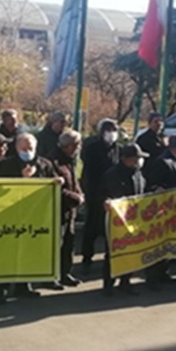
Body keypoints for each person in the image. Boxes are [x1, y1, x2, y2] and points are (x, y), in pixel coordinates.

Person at [0, 133, 61, 301]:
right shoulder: (5, 165)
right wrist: (23, 180)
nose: (27, 151)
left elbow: (52, 185)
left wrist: (57, 183)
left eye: (30, 148)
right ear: (16, 148)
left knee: (28, 252)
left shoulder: (45, 164)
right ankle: (2, 288)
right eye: (23, 148)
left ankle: (23, 286)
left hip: (35, 217)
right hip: (10, 216)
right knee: (7, 254)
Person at [142, 134, 176, 291]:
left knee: (169, 243)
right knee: (158, 244)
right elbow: (153, 185)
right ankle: (152, 277)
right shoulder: (163, 162)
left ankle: (163, 272)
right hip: (162, 210)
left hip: (175, 210)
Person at [101, 144, 149, 296]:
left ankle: (125, 281)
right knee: (113, 252)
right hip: (117, 220)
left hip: (134, 219)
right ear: (125, 159)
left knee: (131, 251)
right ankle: (108, 285)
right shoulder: (111, 174)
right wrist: (106, 202)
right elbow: (102, 194)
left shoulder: (138, 173)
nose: (137, 161)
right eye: (135, 158)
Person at [80, 119, 120, 274]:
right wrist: (92, 194)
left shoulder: (118, 149)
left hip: (112, 195)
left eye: (114, 130)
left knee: (110, 229)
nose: (111, 133)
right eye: (108, 130)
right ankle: (86, 258)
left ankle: (110, 260)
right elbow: (89, 173)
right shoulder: (92, 149)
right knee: (91, 228)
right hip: (95, 193)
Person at [50, 130, 86, 289]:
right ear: (70, 146)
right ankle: (51, 277)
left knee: (68, 244)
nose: (79, 148)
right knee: (56, 245)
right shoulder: (53, 161)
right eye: (77, 145)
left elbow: (73, 181)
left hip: (70, 211)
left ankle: (65, 273)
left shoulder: (70, 160)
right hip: (57, 210)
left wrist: (80, 193)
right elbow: (55, 188)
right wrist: (76, 198)